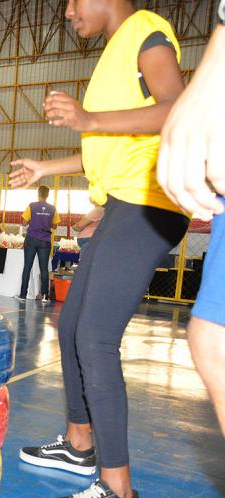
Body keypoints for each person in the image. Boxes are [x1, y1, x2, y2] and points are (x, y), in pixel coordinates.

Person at [8, 1, 189, 498]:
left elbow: (174, 106)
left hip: (148, 205)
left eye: (73, 0)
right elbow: (108, 150)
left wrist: (87, 118)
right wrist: (48, 165)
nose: (67, 10)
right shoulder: (114, 53)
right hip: (121, 204)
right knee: (69, 328)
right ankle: (78, 441)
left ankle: (118, 491)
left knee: (95, 338)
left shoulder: (146, 30)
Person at [156, 4, 225, 437]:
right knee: (213, 339)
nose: (69, 11)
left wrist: (213, 71)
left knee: (214, 339)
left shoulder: (146, 32)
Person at [16, 185, 60, 302]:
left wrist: (34, 220)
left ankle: (23, 295)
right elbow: (55, 225)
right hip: (45, 240)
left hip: (32, 238)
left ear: (38, 194)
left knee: (27, 267)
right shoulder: (52, 208)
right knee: (44, 268)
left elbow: (24, 223)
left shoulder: (32, 206)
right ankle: (45, 295)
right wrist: (45, 222)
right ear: (47, 195)